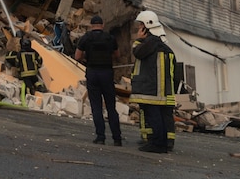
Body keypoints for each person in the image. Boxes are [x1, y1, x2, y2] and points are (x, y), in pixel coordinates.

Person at [129, 10, 176, 153]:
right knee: (160, 116)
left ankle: (157, 144)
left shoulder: (150, 42)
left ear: (146, 26)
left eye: (140, 25)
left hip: (151, 89)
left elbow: (138, 52)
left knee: (153, 116)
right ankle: (161, 143)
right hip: (159, 89)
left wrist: (138, 40)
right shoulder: (162, 45)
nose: (138, 28)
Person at [75, 15, 123, 146]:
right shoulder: (110, 38)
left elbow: (77, 56)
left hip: (93, 72)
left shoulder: (86, 38)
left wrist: (87, 56)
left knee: (96, 106)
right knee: (111, 107)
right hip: (107, 73)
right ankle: (117, 138)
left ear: (91, 25)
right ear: (102, 25)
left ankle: (100, 137)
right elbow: (117, 55)